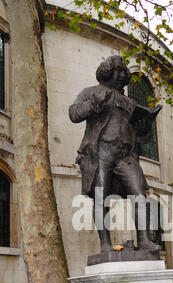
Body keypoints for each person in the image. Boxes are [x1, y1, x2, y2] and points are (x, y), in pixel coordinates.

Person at [69, 55, 161, 253]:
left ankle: (144, 240)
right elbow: (73, 114)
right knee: (101, 197)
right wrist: (94, 103)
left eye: (124, 72)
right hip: (100, 153)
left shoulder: (129, 102)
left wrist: (144, 129)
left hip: (126, 156)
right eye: (118, 71)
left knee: (139, 195)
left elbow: (139, 136)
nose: (122, 75)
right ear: (107, 72)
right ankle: (105, 245)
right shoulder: (91, 92)